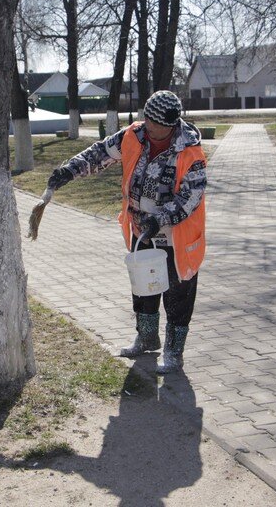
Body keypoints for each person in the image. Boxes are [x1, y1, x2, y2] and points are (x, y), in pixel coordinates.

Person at [46, 90, 207, 375]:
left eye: (153, 124)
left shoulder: (190, 151)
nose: (147, 126)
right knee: (143, 288)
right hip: (141, 231)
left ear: (170, 126)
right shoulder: (134, 135)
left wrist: (160, 219)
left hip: (176, 238)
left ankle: (173, 352)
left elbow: (190, 198)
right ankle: (146, 339)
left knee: (178, 295)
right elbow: (98, 154)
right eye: (145, 120)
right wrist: (68, 171)